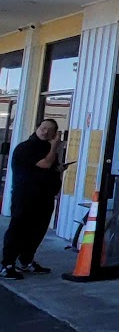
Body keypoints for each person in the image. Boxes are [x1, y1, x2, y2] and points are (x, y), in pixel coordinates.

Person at [1, 118, 63, 277]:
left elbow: (50, 168)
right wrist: (55, 146)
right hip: (25, 197)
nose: (45, 132)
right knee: (18, 229)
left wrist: (58, 172)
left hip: (44, 197)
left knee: (37, 231)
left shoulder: (47, 149)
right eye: (43, 128)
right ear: (37, 128)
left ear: (54, 133)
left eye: (50, 130)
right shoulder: (26, 147)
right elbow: (45, 164)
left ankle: (26, 261)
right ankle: (7, 265)